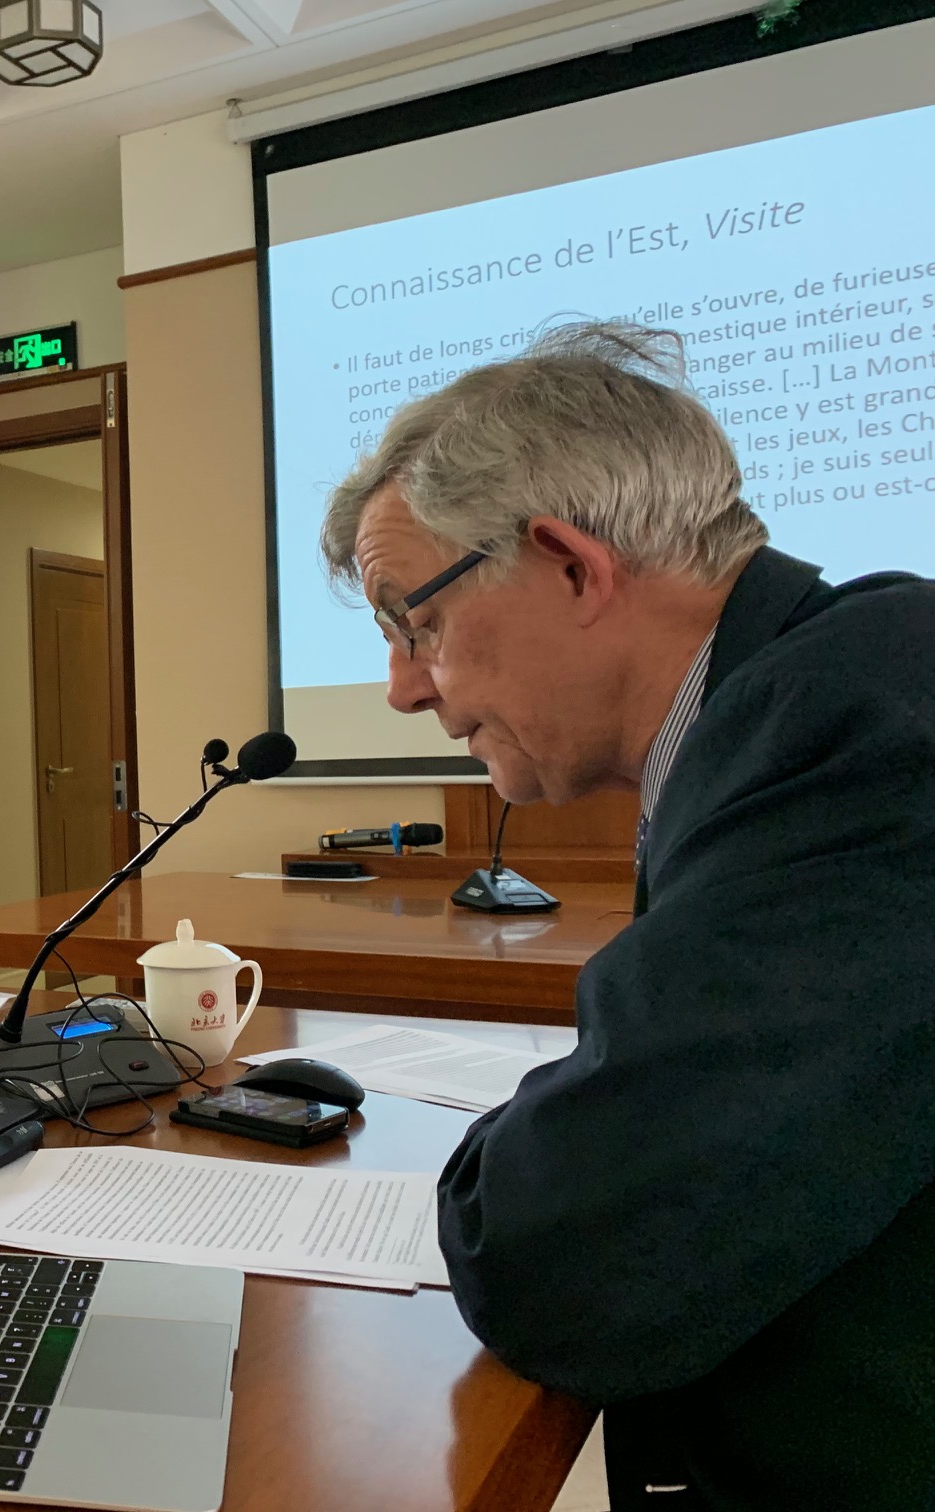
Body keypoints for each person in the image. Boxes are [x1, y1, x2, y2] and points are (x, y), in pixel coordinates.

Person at [319, 322, 935, 1509]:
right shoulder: (813, 691)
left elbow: (569, 1264)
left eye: (417, 623)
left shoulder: (855, 736)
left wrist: (532, 1146)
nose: (403, 688)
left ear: (569, 565)